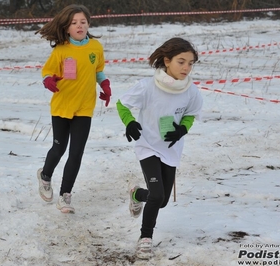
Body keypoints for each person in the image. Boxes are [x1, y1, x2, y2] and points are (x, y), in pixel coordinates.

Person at [116, 37, 203, 259]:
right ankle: (145, 239)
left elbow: (191, 114)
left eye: (190, 63)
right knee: (156, 194)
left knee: (161, 200)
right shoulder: (147, 86)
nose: (186, 68)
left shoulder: (191, 92)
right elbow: (122, 103)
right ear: (166, 61)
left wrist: (182, 129)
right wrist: (130, 122)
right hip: (148, 146)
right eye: (181, 62)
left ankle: (136, 194)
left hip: (170, 150)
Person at [35, 4, 111, 214]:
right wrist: (48, 80)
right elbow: (47, 71)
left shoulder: (95, 47)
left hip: (84, 107)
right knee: (59, 148)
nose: (79, 25)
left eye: (83, 22)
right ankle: (45, 175)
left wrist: (105, 85)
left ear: (89, 24)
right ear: (67, 28)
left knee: (76, 153)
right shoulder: (61, 50)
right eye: (74, 23)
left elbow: (99, 71)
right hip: (62, 106)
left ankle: (65, 196)